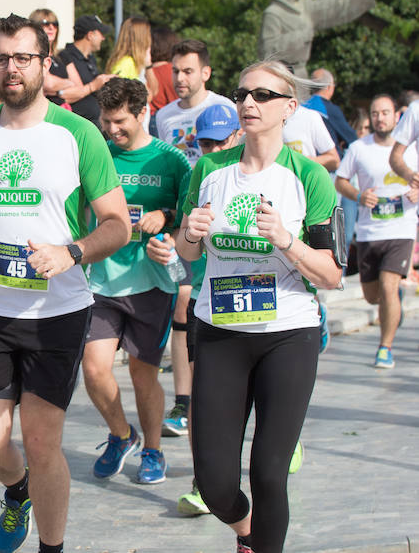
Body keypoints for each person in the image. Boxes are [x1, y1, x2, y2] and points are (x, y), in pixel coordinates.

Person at [0, 13, 131, 553]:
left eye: (23, 58)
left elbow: (117, 224)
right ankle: (15, 489)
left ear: (47, 63)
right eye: (1, 58)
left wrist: (72, 252)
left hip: (58, 314)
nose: (11, 68)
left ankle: (51, 547)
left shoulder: (78, 134)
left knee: (44, 442)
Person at [177, 61, 342, 553]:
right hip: (220, 333)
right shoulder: (208, 170)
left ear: (290, 108)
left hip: (287, 335)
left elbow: (332, 274)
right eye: (243, 93)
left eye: (264, 95)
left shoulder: (309, 177)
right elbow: (187, 254)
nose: (249, 103)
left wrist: (287, 241)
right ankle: (247, 533)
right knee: (214, 484)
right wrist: (188, 234)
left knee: (270, 472)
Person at [81, 78, 190, 487]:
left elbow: (191, 215)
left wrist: (166, 217)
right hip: (101, 282)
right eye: (106, 121)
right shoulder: (98, 154)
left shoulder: (172, 160)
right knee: (94, 370)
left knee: (144, 375)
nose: (112, 130)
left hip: (152, 284)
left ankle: (154, 451)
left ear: (143, 112)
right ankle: (122, 434)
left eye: (120, 121)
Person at [148, 103, 242, 517]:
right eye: (205, 142)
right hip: (208, 297)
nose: (213, 148)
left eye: (221, 140)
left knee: (253, 401)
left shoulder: (261, 175)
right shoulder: (198, 177)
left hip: (266, 307)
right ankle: (203, 483)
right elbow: (182, 240)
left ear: (237, 136)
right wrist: (170, 247)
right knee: (208, 400)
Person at [335, 94, 417, 369]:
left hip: (402, 227)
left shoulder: (411, 150)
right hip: (369, 231)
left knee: (389, 285)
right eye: (375, 113)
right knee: (373, 295)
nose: (380, 118)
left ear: (397, 117)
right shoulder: (359, 148)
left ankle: (385, 348)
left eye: (386, 112)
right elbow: (341, 182)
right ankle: (393, 303)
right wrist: (359, 196)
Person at [155, 39, 234, 166]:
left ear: (206, 73)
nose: (180, 78)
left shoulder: (225, 108)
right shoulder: (163, 115)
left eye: (188, 72)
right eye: (175, 71)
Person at [28, 8, 94, 110]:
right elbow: (48, 83)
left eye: (55, 24)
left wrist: (58, 92)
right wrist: (69, 83)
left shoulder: (62, 56)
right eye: (46, 23)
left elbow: (79, 88)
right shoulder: (32, 55)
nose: (51, 27)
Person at [57, 15, 115, 126]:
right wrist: (94, 85)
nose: (103, 38)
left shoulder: (90, 58)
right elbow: (63, 95)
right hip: (80, 124)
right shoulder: (65, 57)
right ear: (90, 35)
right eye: (101, 34)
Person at [303, 68, 358, 155]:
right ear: (329, 87)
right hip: (327, 162)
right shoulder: (330, 110)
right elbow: (352, 139)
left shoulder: (302, 108)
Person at [282, 103, 339, 171]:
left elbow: (334, 161)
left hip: (300, 180)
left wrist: (300, 161)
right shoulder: (267, 118)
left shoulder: (309, 116)